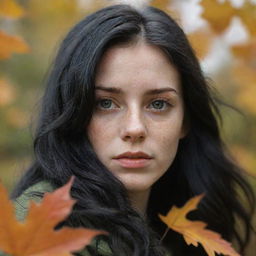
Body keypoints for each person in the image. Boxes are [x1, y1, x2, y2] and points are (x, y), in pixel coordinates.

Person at [2, 3, 255, 256]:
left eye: (158, 104)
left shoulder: (183, 230)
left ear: (186, 120)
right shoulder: (38, 235)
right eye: (105, 103)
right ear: (73, 113)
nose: (135, 128)